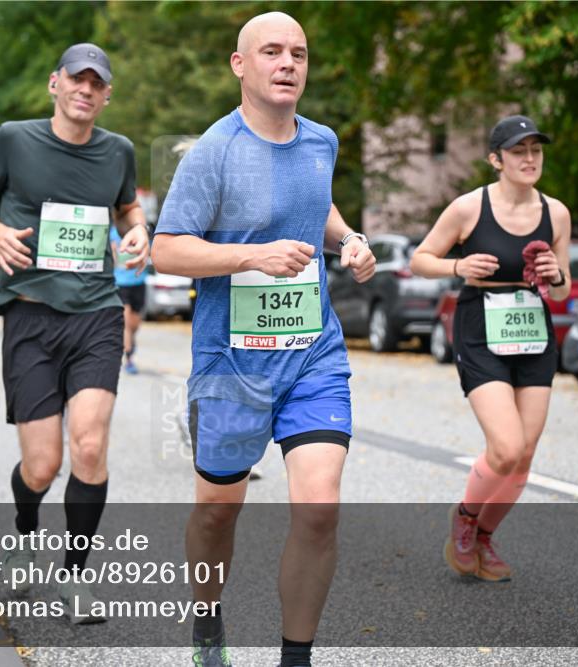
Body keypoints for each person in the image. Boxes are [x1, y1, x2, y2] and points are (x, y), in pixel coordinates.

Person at [151, 13, 375, 667]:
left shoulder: (321, 142)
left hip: (312, 353)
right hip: (231, 364)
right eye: (271, 51)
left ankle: (295, 656)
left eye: (298, 53)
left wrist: (350, 239)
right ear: (239, 64)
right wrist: (250, 257)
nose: (287, 63)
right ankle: (207, 624)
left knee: (319, 507)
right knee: (218, 511)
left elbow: (318, 203)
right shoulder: (212, 153)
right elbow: (166, 250)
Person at [0, 42, 148, 623]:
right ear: (55, 84)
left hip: (95, 313)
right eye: (77, 79)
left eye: (97, 83)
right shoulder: (14, 139)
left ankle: (73, 577)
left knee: (89, 445)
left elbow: (127, 210)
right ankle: (23, 532)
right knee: (41, 466)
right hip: (30, 312)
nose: (86, 90)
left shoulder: (119, 151)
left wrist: (139, 232)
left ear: (107, 93)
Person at [410, 115, 571, 582]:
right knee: (505, 446)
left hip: (533, 330)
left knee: (525, 455)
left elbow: (561, 291)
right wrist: (458, 267)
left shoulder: (555, 213)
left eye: (535, 151)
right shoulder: (468, 208)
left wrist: (554, 275)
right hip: (481, 325)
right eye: (518, 151)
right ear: (496, 160)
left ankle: (483, 536)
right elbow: (421, 260)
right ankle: (464, 516)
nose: (529, 159)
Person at [110, 225, 146, 374]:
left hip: (138, 282)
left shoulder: (140, 232)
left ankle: (130, 343)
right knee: (125, 321)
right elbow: (112, 257)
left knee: (134, 324)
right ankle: (129, 358)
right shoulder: (114, 232)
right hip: (121, 283)